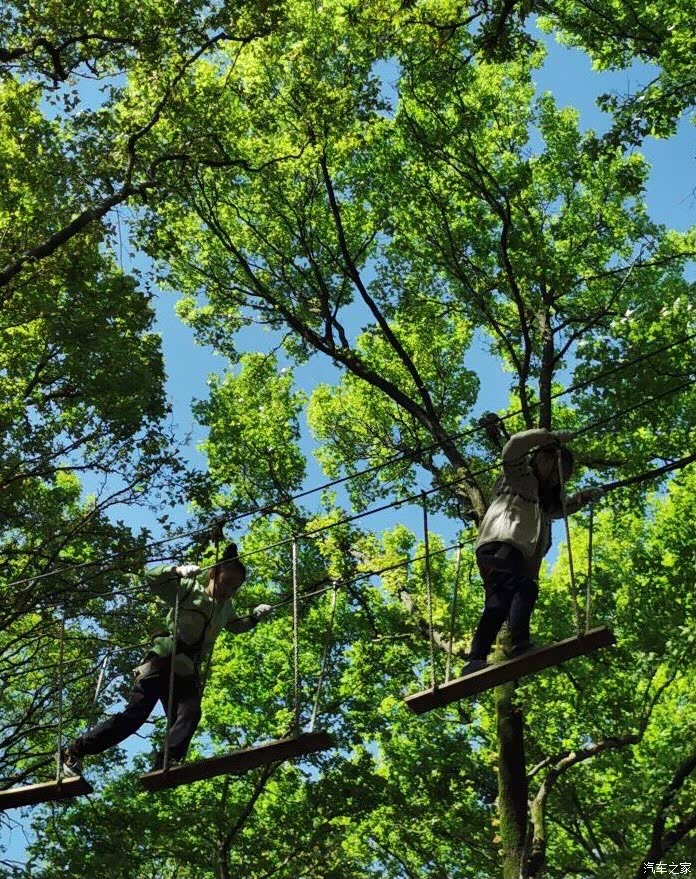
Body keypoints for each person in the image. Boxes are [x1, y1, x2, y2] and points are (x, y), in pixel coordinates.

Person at [62, 543, 272, 773]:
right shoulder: (189, 589)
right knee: (134, 717)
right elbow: (151, 577)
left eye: (235, 586)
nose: (229, 590)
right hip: (162, 660)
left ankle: (167, 760)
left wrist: (253, 618)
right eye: (227, 581)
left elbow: (235, 626)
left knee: (190, 713)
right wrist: (175, 571)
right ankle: (75, 751)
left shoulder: (225, 608)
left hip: (186, 669)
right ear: (213, 574)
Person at [463, 428, 603, 674]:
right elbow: (514, 446)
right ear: (542, 460)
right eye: (556, 470)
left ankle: (496, 651)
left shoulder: (540, 501)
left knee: (512, 597)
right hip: (500, 543)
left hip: (510, 551)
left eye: (563, 476)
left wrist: (582, 499)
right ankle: (498, 650)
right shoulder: (518, 476)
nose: (558, 479)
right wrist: (549, 437)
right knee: (512, 594)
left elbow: (559, 509)